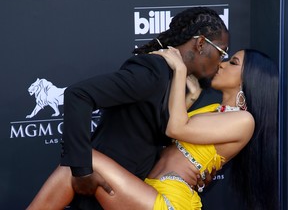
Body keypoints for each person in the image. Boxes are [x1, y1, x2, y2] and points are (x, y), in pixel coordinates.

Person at [27, 47, 278, 210]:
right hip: (148, 189)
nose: (222, 64)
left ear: (250, 80)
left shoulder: (245, 121)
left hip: (168, 202)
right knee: (77, 163)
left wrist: (179, 69)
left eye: (233, 62)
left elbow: (176, 128)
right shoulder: (212, 108)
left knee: (82, 159)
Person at [52, 6, 228, 209]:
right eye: (222, 51)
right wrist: (82, 172)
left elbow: (155, 134)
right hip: (103, 188)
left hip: (128, 190)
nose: (221, 61)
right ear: (200, 44)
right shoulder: (153, 72)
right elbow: (78, 95)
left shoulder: (179, 80)